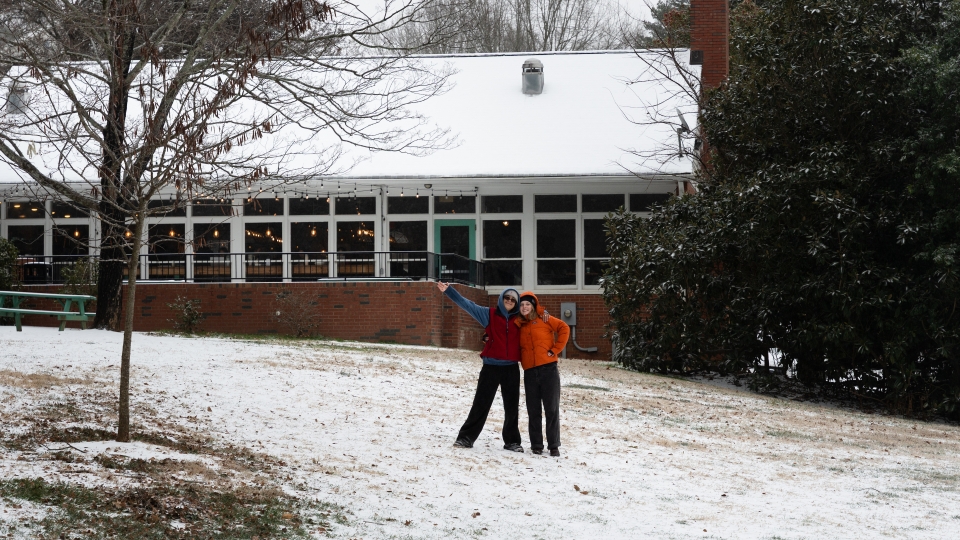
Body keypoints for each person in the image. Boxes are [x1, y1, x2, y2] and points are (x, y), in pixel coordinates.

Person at [437, 282, 524, 452]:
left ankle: (512, 441)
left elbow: (537, 317)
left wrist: (544, 314)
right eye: (506, 297)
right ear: (501, 299)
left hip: (511, 368)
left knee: (512, 407)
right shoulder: (488, 314)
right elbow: (467, 304)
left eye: (513, 299)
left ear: (516, 303)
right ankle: (466, 438)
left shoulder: (521, 320)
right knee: (481, 404)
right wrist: (449, 291)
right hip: (491, 367)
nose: (509, 301)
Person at [515, 292, 569, 457]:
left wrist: (555, 350)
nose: (524, 307)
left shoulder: (545, 319)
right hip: (530, 371)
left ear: (533, 305)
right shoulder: (518, 324)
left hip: (548, 370)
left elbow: (564, 328)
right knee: (533, 410)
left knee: (551, 409)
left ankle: (553, 445)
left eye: (527, 304)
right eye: (522, 305)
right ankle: (536, 445)